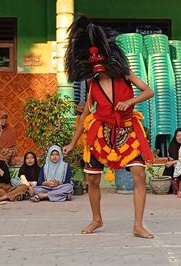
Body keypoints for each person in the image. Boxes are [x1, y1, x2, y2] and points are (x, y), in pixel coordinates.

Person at [62, 15, 155, 238]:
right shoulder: (91, 83)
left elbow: (148, 91)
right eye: (91, 56)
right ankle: (97, 219)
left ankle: (138, 225)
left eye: (99, 54)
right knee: (92, 179)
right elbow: (86, 114)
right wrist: (72, 142)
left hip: (127, 131)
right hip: (100, 134)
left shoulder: (125, 74)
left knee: (139, 175)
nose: (96, 59)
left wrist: (130, 102)